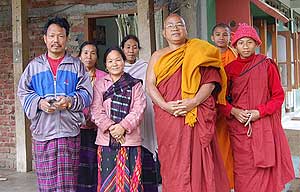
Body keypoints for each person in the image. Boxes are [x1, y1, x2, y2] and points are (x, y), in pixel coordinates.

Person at [146, 13, 229, 192]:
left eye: (179, 25)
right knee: (172, 160)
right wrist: (165, 105)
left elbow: (210, 81)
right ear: (163, 33)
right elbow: (150, 85)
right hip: (168, 116)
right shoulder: (157, 56)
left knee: (198, 158)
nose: (175, 28)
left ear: (186, 28)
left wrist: (193, 102)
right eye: (170, 26)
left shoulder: (199, 50)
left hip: (195, 114)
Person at [17, 17, 93, 191]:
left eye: (60, 36)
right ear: (45, 38)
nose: (56, 40)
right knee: (47, 185)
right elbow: (23, 92)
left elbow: (87, 93)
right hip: (43, 133)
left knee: (69, 184)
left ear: (66, 38)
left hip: (69, 133)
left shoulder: (76, 66)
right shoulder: (34, 67)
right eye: (52, 36)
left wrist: (70, 101)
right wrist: (39, 103)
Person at [219, 23, 295, 192]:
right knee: (243, 171)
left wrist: (259, 112)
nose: (245, 46)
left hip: (262, 125)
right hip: (239, 128)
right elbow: (220, 101)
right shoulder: (228, 69)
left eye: (249, 42)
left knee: (265, 170)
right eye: (241, 42)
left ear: (256, 43)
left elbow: (278, 96)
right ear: (235, 45)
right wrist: (234, 111)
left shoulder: (266, 64)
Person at [90, 47, 146, 192]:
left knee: (132, 181)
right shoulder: (100, 84)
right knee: (108, 182)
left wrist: (123, 126)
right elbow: (96, 109)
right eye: (110, 61)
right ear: (106, 65)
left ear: (123, 62)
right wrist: (111, 127)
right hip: (106, 140)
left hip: (130, 140)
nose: (114, 64)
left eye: (118, 60)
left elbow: (139, 109)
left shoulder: (135, 84)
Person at [121, 35, 159, 191]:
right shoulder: (119, 67)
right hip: (126, 114)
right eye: (128, 47)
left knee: (146, 147)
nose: (131, 50)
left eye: (134, 47)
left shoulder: (146, 66)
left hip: (146, 111)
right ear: (122, 48)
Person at [77, 41, 106, 192]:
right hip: (77, 129)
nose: (89, 56)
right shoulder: (74, 76)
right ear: (79, 56)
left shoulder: (104, 77)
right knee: (80, 165)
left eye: (93, 53)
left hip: (98, 129)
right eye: (85, 52)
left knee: (96, 164)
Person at [211, 23, 237, 190]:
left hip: (233, 105)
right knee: (217, 145)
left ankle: (230, 182)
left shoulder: (235, 55)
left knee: (231, 146)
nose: (222, 37)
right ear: (212, 38)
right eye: (218, 34)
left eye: (225, 34)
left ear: (230, 37)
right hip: (214, 106)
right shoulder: (208, 55)